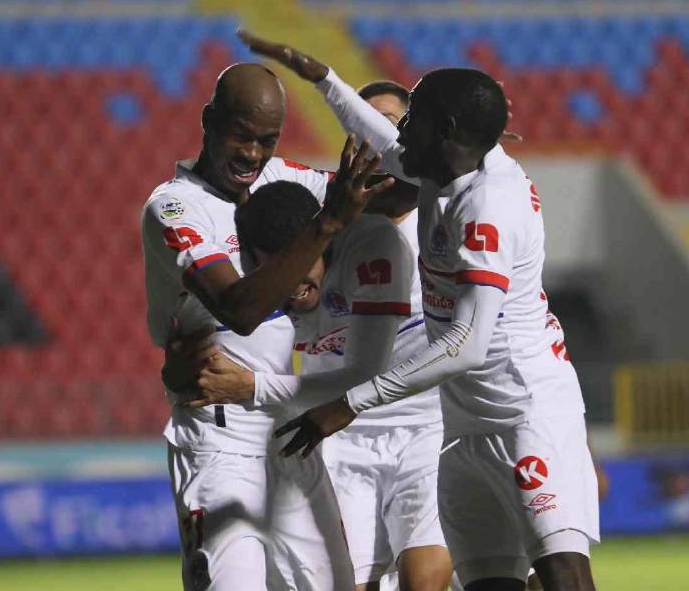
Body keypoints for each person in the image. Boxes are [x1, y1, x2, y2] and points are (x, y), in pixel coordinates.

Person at [239, 33, 600, 591]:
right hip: (463, 426)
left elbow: (467, 343)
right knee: (488, 582)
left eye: (416, 120)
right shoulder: (445, 168)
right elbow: (384, 142)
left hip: (523, 416)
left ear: (449, 132)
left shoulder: (488, 207)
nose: (402, 132)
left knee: (562, 576)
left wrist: (348, 403)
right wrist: (324, 78)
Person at [141, 61, 392, 590]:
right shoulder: (174, 206)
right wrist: (327, 224)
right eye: (240, 136)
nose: (253, 155)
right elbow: (239, 309)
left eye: (267, 140)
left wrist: (467, 159)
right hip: (218, 440)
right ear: (208, 120)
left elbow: (394, 192)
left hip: (289, 434)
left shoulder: (282, 178)